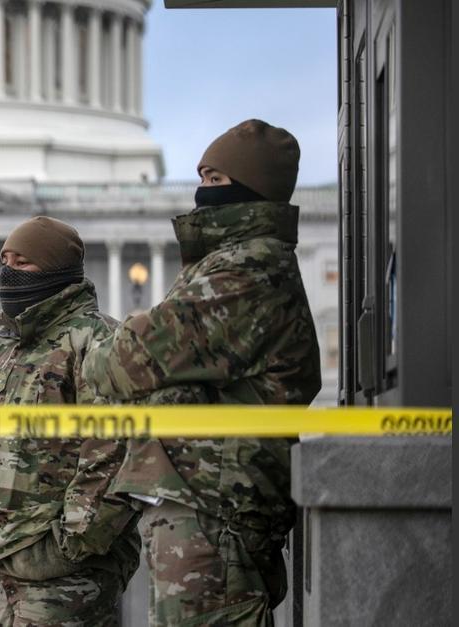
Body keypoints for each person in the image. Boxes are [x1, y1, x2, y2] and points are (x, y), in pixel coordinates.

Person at [82, 119, 322, 626]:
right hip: (207, 501)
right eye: (202, 177)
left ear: (251, 187)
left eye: (215, 180)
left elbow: (125, 362)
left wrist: (124, 344)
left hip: (217, 506)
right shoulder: (230, 263)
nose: (202, 192)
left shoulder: (247, 270)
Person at [0, 216, 142, 626]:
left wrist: (65, 547)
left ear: (57, 268)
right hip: (4, 569)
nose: (8, 273)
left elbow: (114, 454)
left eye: (23, 263)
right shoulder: (5, 355)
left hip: (66, 576)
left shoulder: (97, 340)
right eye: (5, 261)